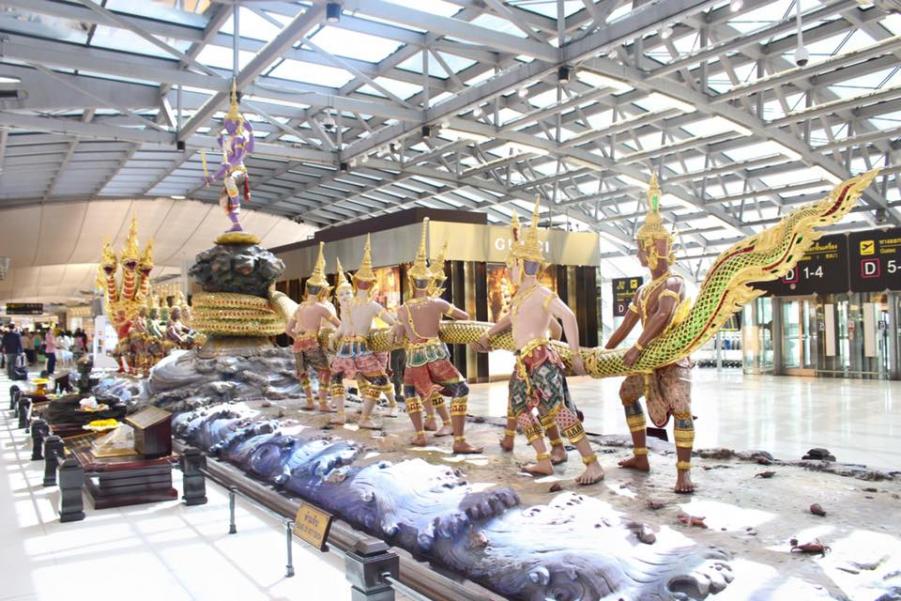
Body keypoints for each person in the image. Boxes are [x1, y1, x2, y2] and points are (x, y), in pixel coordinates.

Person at [474, 198, 603, 486]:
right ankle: (543, 459)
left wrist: (574, 355)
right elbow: (511, 320)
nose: (508, 271)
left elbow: (568, 317)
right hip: (524, 361)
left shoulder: (542, 293)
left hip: (541, 360)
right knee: (520, 409)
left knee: (558, 410)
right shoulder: (521, 297)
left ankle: (592, 464)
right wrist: (488, 334)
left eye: (510, 266)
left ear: (521, 265)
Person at [605, 175, 696, 494]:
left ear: (653, 250)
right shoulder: (643, 290)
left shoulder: (675, 282)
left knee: (681, 408)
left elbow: (663, 315)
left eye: (640, 249)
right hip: (645, 361)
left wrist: (638, 347)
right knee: (627, 394)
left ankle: (683, 473)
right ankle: (641, 456)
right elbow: (625, 325)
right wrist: (604, 352)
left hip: (671, 358)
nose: (637, 255)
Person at [393, 219, 481, 453]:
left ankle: (420, 435)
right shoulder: (438, 302)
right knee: (461, 389)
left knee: (410, 391)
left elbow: (398, 332)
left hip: (414, 357)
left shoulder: (403, 308)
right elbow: (464, 316)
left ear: (411, 281)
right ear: (429, 281)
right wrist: (440, 321)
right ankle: (459, 440)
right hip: (435, 354)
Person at [328, 236, 396, 428]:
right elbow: (391, 322)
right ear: (372, 284)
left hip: (347, 347)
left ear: (355, 283)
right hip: (358, 346)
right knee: (379, 379)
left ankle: (343, 414)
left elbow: (344, 327)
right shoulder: (369, 305)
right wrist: (334, 335)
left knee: (337, 378)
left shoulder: (355, 304)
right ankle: (364, 417)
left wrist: (335, 336)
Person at [286, 242, 341, 412]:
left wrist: (297, 337)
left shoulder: (299, 307)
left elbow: (287, 330)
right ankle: (323, 403)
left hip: (298, 344)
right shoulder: (321, 308)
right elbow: (339, 325)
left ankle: (310, 401)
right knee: (325, 371)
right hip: (312, 342)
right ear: (323, 291)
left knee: (303, 373)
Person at [203, 80, 254, 232]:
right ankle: (236, 224)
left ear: (236, 123)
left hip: (238, 171)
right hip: (230, 171)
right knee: (224, 201)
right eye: (226, 122)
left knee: (229, 180)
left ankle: (236, 206)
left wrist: (251, 132)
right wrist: (213, 177)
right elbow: (225, 162)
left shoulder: (239, 138)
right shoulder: (228, 140)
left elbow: (239, 157)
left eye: (229, 122)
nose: (227, 125)